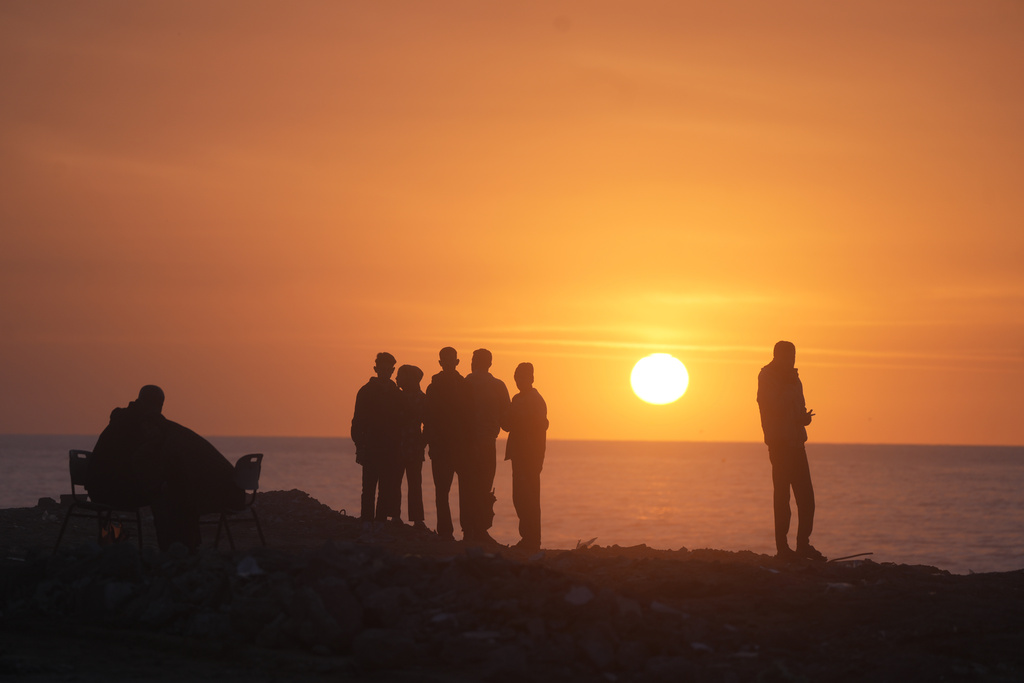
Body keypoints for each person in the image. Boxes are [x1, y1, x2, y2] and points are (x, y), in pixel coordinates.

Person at [89, 385, 243, 551]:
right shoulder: (136, 426)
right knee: (167, 496)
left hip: (99, 487)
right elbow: (138, 465)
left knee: (168, 492)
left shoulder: (124, 420)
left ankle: (178, 545)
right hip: (111, 491)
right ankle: (176, 547)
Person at [757, 341, 825, 561]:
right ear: (777, 356)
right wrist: (786, 388)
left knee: (807, 499)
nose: (792, 360)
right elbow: (771, 407)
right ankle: (783, 549)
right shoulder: (767, 377)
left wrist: (804, 419)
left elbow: (796, 409)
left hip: (797, 444)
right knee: (782, 498)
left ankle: (803, 545)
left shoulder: (794, 378)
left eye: (793, 356)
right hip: (779, 445)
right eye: (788, 357)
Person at [422, 347, 472, 542]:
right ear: (441, 363)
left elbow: (470, 417)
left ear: (456, 362)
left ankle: (465, 530)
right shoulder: (435, 387)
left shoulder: (463, 386)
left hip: (458, 447)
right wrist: (429, 442)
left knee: (460, 490)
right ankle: (446, 531)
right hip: (444, 447)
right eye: (446, 360)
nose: (449, 364)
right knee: (443, 491)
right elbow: (428, 418)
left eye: (451, 360)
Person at [463, 348, 510, 546]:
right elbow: (507, 422)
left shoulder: (464, 384)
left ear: (473, 363)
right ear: (490, 364)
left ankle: (469, 532)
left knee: (468, 488)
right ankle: (480, 530)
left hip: (466, 444)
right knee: (483, 487)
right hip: (487, 443)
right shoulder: (498, 386)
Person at [351, 352, 405, 527]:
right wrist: (360, 446)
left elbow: (402, 421)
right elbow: (357, 422)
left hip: (391, 448)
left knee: (385, 487)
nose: (385, 372)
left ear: (392, 370)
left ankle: (380, 521)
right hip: (371, 446)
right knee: (368, 486)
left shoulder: (396, 394)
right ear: (376, 369)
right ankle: (367, 520)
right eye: (382, 368)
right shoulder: (365, 392)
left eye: (389, 369)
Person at [501, 362, 548, 551]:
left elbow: (538, 428)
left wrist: (537, 459)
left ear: (531, 378)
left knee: (529, 498)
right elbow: (507, 424)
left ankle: (532, 540)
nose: (519, 381)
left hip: (530, 457)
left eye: (523, 377)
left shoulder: (536, 401)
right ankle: (527, 538)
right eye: (517, 377)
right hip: (519, 455)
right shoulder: (517, 399)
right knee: (519, 498)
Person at [396, 364, 428, 531]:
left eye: (401, 375)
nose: (397, 379)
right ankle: (396, 516)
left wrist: (422, 442)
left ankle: (416, 519)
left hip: (412, 447)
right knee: (397, 482)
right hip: (399, 446)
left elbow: (428, 424)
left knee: (413, 484)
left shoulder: (420, 399)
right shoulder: (397, 397)